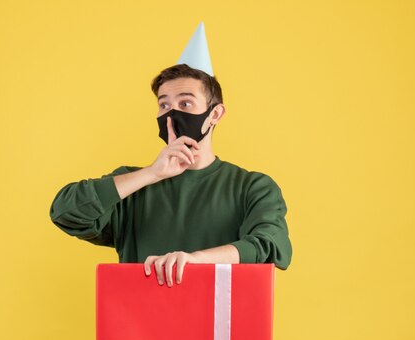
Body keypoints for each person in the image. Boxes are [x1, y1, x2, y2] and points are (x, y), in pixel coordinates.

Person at [49, 23, 292, 287]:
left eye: (185, 103)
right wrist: (152, 173)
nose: (171, 113)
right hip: (140, 324)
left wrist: (195, 260)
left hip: (220, 324)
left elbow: (270, 246)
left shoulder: (252, 187)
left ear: (215, 114)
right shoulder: (134, 185)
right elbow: (66, 212)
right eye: (164, 104)